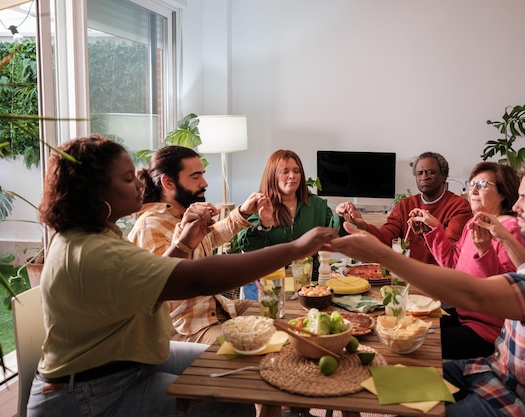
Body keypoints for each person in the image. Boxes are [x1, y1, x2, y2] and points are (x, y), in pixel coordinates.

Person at [29, 134, 337, 417]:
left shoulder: (93, 235)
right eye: (127, 179)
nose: (139, 183)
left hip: (132, 358)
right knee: (235, 400)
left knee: (245, 371)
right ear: (96, 192)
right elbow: (195, 279)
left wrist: (185, 242)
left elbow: (159, 274)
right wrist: (294, 249)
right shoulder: (97, 250)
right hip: (94, 390)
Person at [330, 155, 525, 417]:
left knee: (408, 397)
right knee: (386, 380)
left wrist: (382, 255)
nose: (515, 206)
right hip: (496, 371)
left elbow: (475, 293)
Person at [128, 145, 268, 345]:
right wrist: (182, 235)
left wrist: (243, 212)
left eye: (202, 175)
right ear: (168, 182)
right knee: (259, 341)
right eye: (195, 177)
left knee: (278, 311)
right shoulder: (149, 226)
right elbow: (165, 292)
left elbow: (210, 239)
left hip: (219, 308)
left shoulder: (180, 213)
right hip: (190, 327)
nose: (205, 183)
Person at [413, 162, 525, 359]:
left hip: (489, 331)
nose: (474, 189)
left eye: (483, 184)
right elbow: (452, 264)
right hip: (465, 316)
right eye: (472, 183)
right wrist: (434, 229)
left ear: (503, 193)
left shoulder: (510, 228)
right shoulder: (473, 223)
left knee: (419, 342)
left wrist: (485, 251)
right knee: (410, 326)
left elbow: (507, 292)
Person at [234, 149, 344, 299]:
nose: (292, 176)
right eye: (285, 171)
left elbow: (334, 235)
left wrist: (341, 214)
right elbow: (248, 248)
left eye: (296, 171)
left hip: (309, 282)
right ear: (272, 176)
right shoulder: (258, 204)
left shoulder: (316, 204)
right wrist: (265, 223)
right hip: (267, 282)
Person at [335, 151, 472, 265]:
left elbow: (450, 254)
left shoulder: (459, 206)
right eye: (420, 173)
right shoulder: (405, 205)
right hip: (406, 276)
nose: (424, 177)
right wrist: (362, 225)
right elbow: (386, 239)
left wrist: (429, 232)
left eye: (430, 172)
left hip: (439, 280)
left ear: (443, 176)